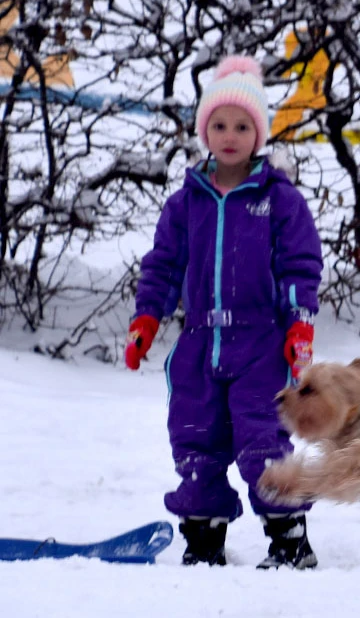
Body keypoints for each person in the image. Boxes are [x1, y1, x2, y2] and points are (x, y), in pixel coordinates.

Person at [124, 55, 323, 570]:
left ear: (257, 135)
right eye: (218, 124)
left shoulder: (279, 200)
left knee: (262, 440)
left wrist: (299, 321)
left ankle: (289, 542)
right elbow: (163, 265)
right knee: (194, 441)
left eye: (241, 126)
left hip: (260, 344)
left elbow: (301, 264)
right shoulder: (185, 203)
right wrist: (148, 317)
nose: (229, 135)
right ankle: (203, 542)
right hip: (197, 346)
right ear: (204, 131)